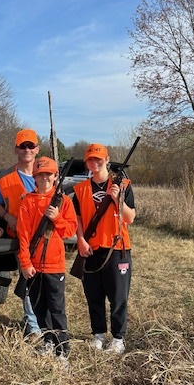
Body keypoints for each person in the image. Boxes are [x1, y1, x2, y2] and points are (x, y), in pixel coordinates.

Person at [73, 143, 136, 354]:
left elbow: (131, 217)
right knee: (93, 296)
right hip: (91, 250)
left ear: (107, 160)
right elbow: (79, 220)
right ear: (87, 163)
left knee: (118, 297)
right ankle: (98, 335)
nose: (95, 163)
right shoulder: (80, 190)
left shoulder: (123, 185)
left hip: (117, 250)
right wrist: (80, 240)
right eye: (91, 159)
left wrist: (118, 198)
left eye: (99, 159)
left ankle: (118, 339)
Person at [17, 156, 77, 359]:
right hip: (33, 265)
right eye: (40, 174)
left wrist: (56, 217)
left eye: (48, 175)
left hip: (54, 266)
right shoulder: (27, 201)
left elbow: (70, 231)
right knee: (38, 308)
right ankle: (48, 341)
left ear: (55, 177)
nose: (44, 178)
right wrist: (25, 263)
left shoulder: (64, 202)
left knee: (57, 309)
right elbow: (23, 235)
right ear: (34, 177)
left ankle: (63, 352)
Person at [0, 129, 46, 338]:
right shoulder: (4, 178)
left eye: (31, 146)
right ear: (16, 149)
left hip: (44, 237)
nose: (27, 150)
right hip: (20, 236)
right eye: (22, 146)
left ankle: (36, 319)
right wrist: (8, 217)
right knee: (29, 276)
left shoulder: (47, 172)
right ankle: (33, 324)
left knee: (45, 279)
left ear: (37, 149)